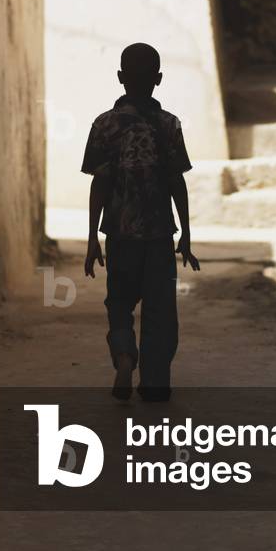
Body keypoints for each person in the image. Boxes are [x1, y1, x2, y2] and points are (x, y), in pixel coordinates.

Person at [82, 42, 200, 402]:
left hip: (120, 233)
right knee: (160, 309)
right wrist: (187, 234)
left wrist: (91, 238)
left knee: (119, 302)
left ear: (120, 78)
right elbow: (176, 181)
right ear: (158, 79)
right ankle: (155, 383)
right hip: (159, 233)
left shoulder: (104, 125)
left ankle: (123, 355)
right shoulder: (169, 125)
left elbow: (99, 183)